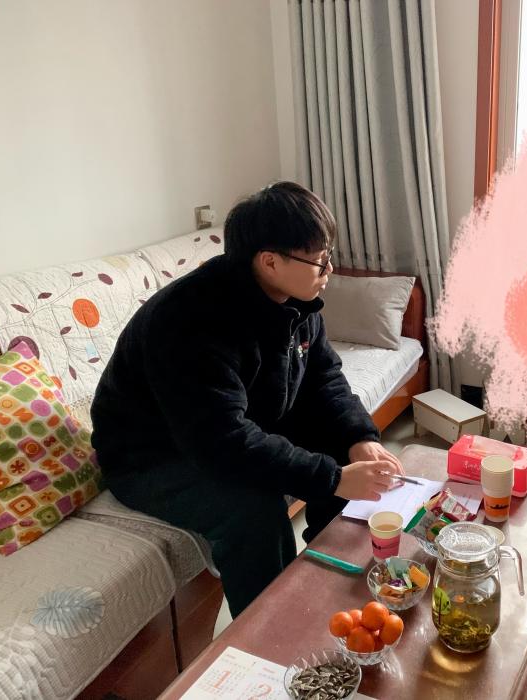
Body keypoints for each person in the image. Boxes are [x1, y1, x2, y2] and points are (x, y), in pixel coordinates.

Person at [91, 182, 403, 617]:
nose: (330, 268)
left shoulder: (298, 301)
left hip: (231, 420)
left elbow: (324, 378)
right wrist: (332, 478)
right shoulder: (190, 322)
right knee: (254, 510)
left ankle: (332, 579)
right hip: (152, 456)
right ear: (269, 261)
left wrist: (359, 438)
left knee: (343, 450)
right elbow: (222, 442)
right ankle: (272, 631)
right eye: (319, 259)